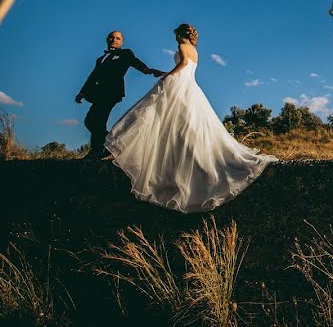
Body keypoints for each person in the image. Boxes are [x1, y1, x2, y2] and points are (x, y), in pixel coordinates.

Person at [105, 23, 277, 213]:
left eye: (176, 35)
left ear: (180, 34)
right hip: (191, 87)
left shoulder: (182, 47)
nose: (175, 39)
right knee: (189, 125)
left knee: (156, 117)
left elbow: (184, 63)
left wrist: (168, 76)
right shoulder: (194, 49)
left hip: (180, 85)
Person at [76, 31, 164, 159]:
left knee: (97, 120)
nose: (114, 40)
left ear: (122, 42)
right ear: (107, 40)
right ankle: (109, 147)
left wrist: (148, 70)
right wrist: (82, 92)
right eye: (112, 38)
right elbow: (92, 76)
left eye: (118, 38)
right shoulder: (100, 59)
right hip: (98, 94)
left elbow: (135, 62)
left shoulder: (125, 53)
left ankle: (99, 150)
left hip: (112, 92)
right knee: (91, 121)